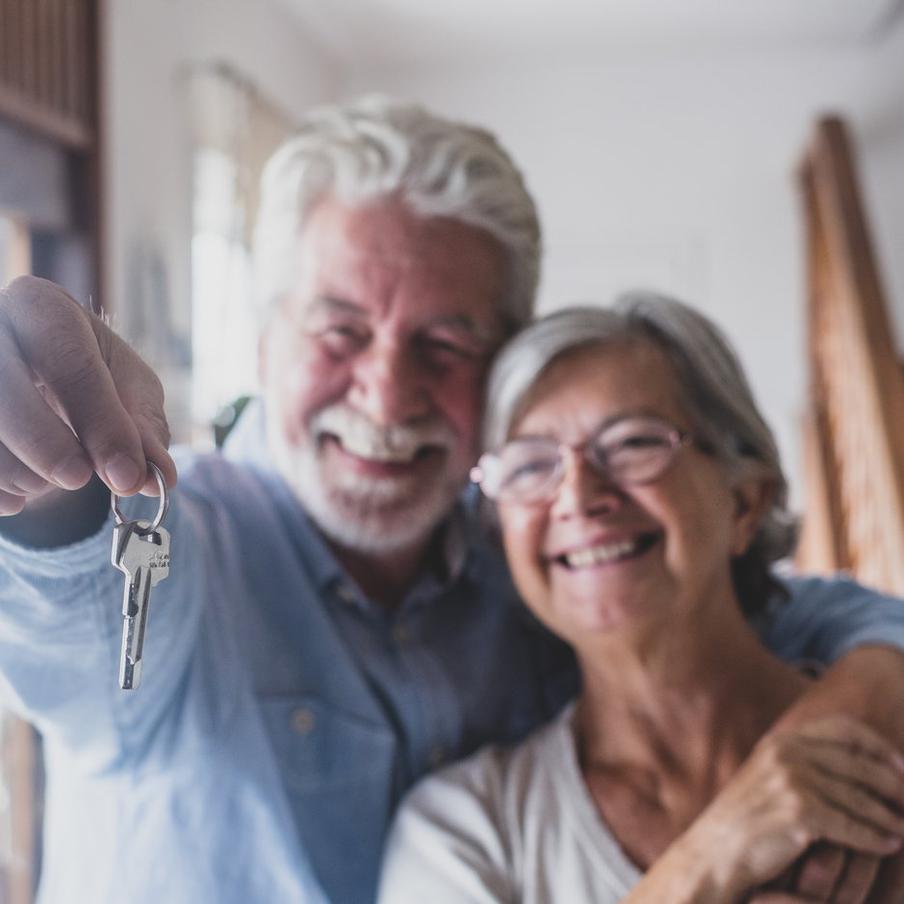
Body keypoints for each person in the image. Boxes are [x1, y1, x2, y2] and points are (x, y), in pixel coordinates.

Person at [0, 98, 903, 904]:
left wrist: (855, 717)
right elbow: (75, 619)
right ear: (265, 339)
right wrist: (49, 492)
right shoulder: (186, 539)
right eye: (340, 330)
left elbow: (785, 607)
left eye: (446, 340)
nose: (387, 395)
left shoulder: (537, 552)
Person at [378, 297, 904, 903]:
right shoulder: (465, 830)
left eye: (632, 443)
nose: (578, 494)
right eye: (530, 466)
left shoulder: (885, 733)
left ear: (744, 503)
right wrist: (712, 854)